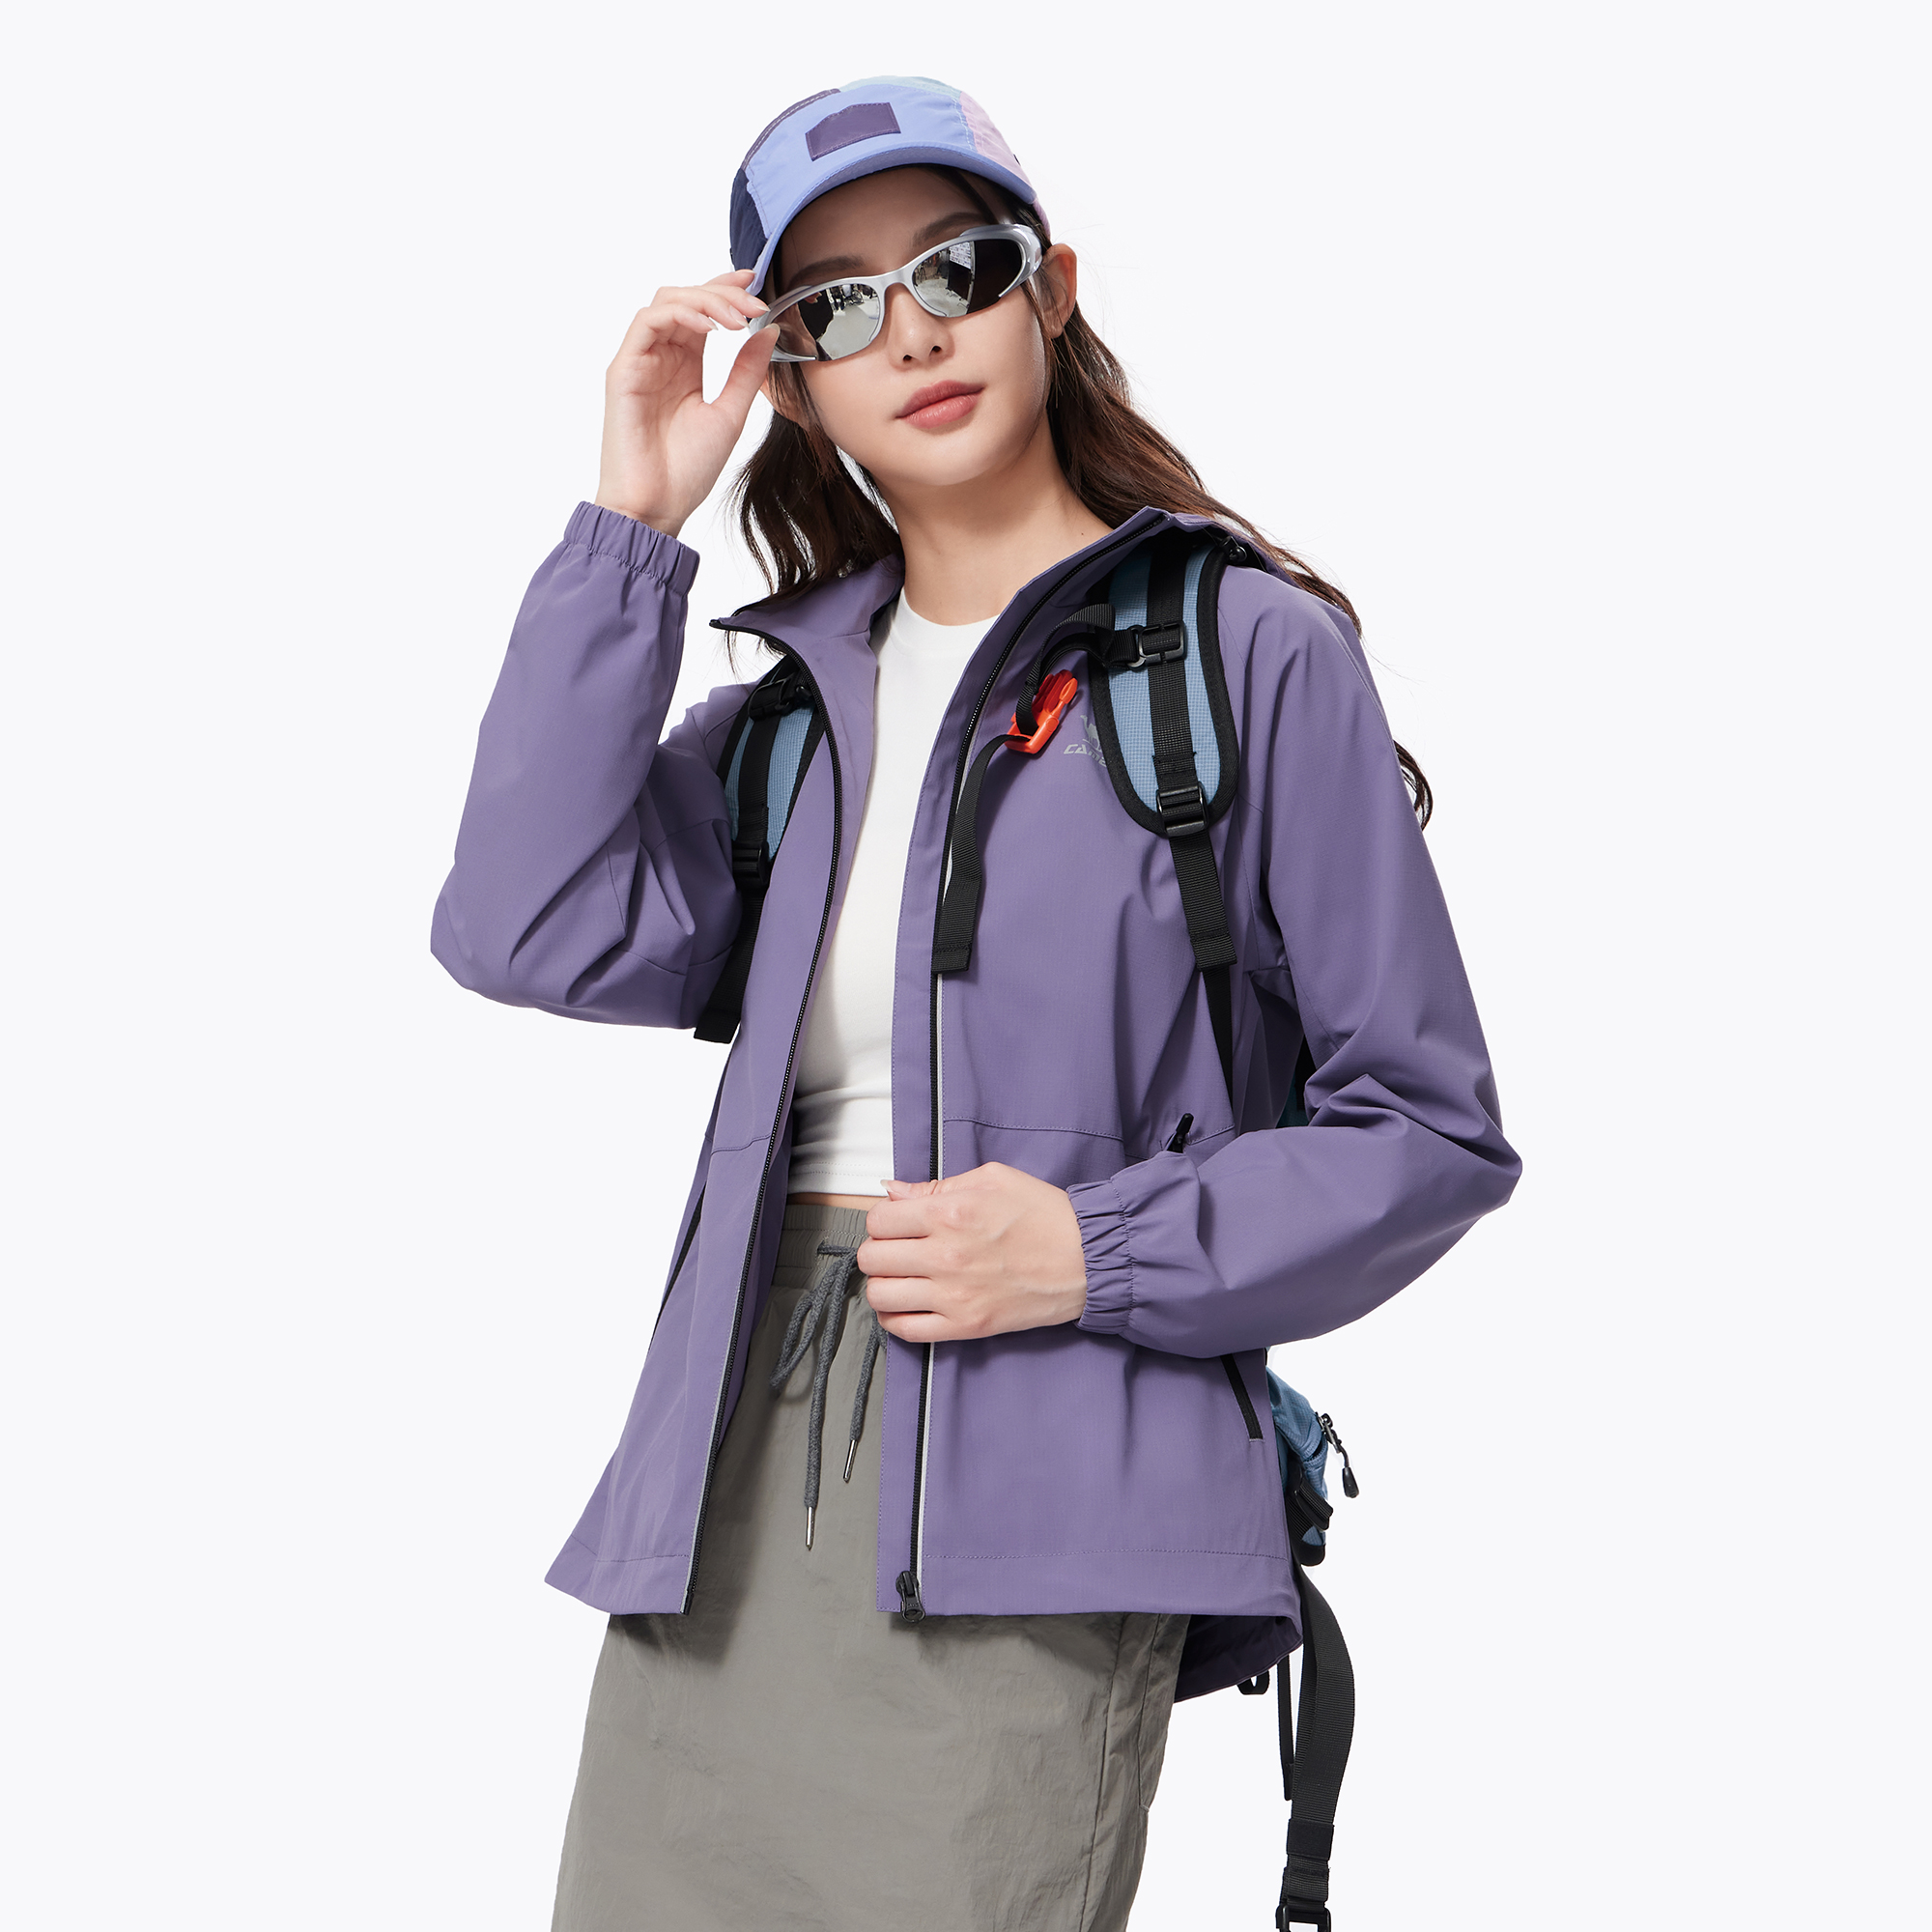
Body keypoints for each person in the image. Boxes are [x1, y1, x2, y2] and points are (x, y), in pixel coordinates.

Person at [431, 73, 1519, 1932]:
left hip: (1050, 1480)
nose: (913, 330)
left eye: (959, 266)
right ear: (790, 377)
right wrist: (630, 528)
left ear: (1051, 289)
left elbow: (1426, 1132)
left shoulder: (1243, 651)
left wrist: (1095, 1249)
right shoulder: (801, 708)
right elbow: (520, 926)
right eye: (837, 303)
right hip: (728, 1470)